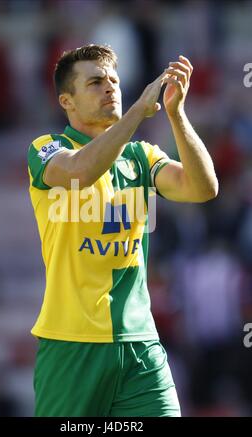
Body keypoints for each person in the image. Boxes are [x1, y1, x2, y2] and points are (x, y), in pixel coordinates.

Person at [27, 44, 218, 417]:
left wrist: (176, 116)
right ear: (67, 101)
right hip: (72, 344)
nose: (110, 88)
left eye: (114, 80)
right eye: (96, 82)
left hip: (140, 343)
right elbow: (81, 172)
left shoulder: (140, 157)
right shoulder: (46, 149)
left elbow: (203, 188)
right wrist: (137, 113)